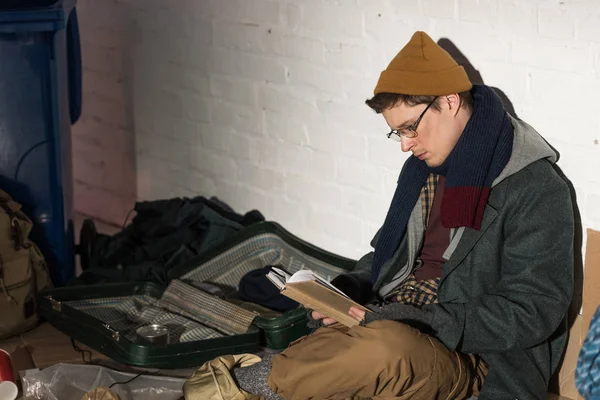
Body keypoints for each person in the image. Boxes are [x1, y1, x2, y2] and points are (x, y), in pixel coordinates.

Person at [192, 31, 575, 400]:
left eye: (410, 128)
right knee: (335, 347)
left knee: (381, 352)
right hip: (393, 322)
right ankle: (249, 383)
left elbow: (534, 310)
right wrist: (348, 290)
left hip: (474, 357)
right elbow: (386, 258)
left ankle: (241, 383)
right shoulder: (423, 171)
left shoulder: (535, 187)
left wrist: (425, 319)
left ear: (450, 101)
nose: (406, 145)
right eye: (398, 133)